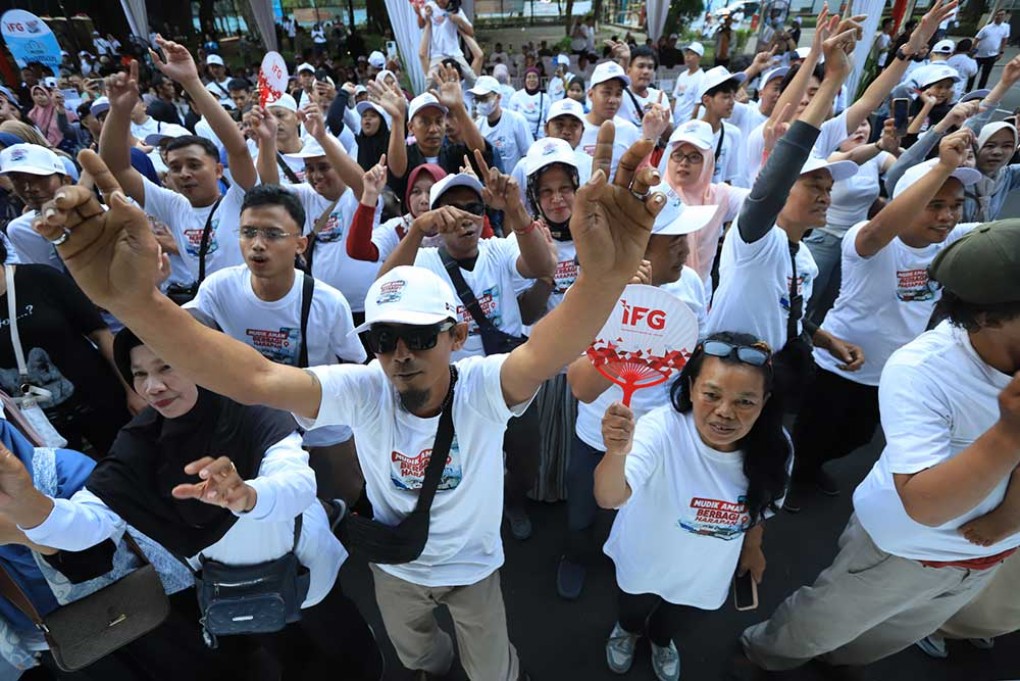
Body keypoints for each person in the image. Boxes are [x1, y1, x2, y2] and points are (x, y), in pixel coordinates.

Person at [32, 121, 666, 680]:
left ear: (456, 335)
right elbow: (253, 379)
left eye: (418, 335)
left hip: (476, 570)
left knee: (492, 669)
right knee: (419, 658)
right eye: (384, 337)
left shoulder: (482, 386)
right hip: (396, 570)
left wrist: (605, 279)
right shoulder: (364, 387)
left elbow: (547, 352)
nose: (399, 353)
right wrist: (136, 304)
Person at [2, 327, 383, 679]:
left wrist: (248, 495)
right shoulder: (140, 442)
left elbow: (296, 481)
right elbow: (92, 521)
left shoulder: (247, 406)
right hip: (234, 589)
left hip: (306, 570)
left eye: (166, 366)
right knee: (291, 659)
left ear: (197, 359)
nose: (153, 386)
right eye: (138, 374)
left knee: (346, 649)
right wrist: (31, 507)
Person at [738, 219, 1020, 674]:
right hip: (907, 551)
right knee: (821, 622)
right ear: (988, 315)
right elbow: (924, 504)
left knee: (891, 635)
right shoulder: (923, 370)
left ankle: (838, 663)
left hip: (987, 557)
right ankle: (762, 657)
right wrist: (1009, 436)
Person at [786, 132, 981, 510]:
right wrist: (942, 165)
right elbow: (876, 232)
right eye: (934, 204)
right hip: (838, 363)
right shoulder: (866, 238)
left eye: (955, 206)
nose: (947, 216)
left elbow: (998, 235)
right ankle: (796, 477)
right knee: (811, 433)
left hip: (890, 371)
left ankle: (811, 467)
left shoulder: (948, 238)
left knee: (858, 437)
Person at [597, 332, 790, 681]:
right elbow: (610, 497)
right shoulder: (661, 429)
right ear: (690, 388)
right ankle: (627, 632)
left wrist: (753, 545)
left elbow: (763, 505)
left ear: (765, 401)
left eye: (745, 401)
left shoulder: (776, 449)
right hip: (644, 560)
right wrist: (616, 451)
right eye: (711, 394)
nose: (724, 413)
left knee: (675, 622)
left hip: (706, 576)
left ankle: (660, 640)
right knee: (631, 610)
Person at [559, 186, 712, 600]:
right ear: (640, 246)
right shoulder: (595, 292)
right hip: (597, 435)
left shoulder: (692, 285)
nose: (685, 248)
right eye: (675, 240)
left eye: (686, 238)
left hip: (656, 439)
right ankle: (575, 556)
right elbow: (582, 386)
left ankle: (618, 561)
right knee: (582, 511)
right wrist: (626, 308)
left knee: (631, 510)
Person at [706, 20, 864, 407]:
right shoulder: (755, 239)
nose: (825, 196)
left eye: (828, 188)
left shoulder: (805, 258)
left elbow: (787, 313)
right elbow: (782, 167)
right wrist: (832, 78)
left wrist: (826, 338)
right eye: (813, 186)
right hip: (723, 381)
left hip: (768, 384)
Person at [99, 42, 258, 293]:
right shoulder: (173, 206)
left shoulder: (240, 199)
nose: (184, 173)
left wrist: (191, 81)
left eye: (194, 165)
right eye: (175, 167)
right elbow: (116, 166)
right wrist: (118, 111)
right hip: (209, 315)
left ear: (218, 170)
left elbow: (237, 147)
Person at [803, 117, 901, 324]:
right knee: (806, 300)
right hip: (825, 239)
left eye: (864, 124)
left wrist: (897, 147)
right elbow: (851, 157)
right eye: (852, 127)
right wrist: (879, 145)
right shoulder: (828, 156)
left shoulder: (878, 156)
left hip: (855, 244)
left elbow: (903, 169)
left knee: (835, 302)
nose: (860, 130)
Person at [661, 120, 749, 294]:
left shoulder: (719, 196)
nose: (683, 163)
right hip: (659, 292)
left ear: (708, 161)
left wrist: (768, 154)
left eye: (694, 157)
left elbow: (760, 200)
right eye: (678, 155)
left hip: (699, 292)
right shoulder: (656, 194)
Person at [470, 76, 534, 174]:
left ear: (498, 97)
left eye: (485, 98)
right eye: (477, 99)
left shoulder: (516, 121)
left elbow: (529, 155)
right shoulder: (478, 126)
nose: (481, 103)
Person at [694, 66, 746, 185]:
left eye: (733, 96)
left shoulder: (733, 134)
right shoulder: (688, 133)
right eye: (726, 97)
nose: (732, 102)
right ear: (707, 100)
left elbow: (727, 179)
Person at [618, 46, 665, 130]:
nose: (646, 71)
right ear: (629, 70)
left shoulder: (660, 96)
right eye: (640, 66)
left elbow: (668, 134)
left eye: (650, 67)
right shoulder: (620, 95)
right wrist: (624, 60)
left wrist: (661, 119)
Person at [27, 86, 76, 150]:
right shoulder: (32, 114)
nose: (39, 97)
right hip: (45, 148)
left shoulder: (62, 111)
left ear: (49, 95)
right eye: (35, 94)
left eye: (42, 94)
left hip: (65, 146)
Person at [509, 68, 550, 141]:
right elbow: (511, 118)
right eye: (529, 77)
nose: (532, 80)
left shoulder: (545, 98)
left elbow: (548, 119)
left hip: (539, 138)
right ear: (525, 80)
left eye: (534, 77)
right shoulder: (516, 96)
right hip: (520, 138)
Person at [974, 9, 1011, 89]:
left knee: (985, 75)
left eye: (1002, 15)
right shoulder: (987, 28)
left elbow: (1004, 39)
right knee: (973, 73)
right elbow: (977, 39)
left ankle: (979, 91)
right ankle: (967, 89)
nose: (1000, 16)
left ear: (1004, 17)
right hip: (979, 55)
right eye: (998, 14)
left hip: (992, 55)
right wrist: (972, 51)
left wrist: (1001, 52)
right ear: (995, 16)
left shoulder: (1006, 27)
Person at [671, 42, 705, 126]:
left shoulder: (702, 78)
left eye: (692, 54)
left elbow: (698, 104)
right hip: (676, 122)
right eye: (687, 54)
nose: (687, 57)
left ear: (699, 57)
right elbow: (675, 98)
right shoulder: (682, 75)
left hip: (687, 124)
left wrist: (690, 124)